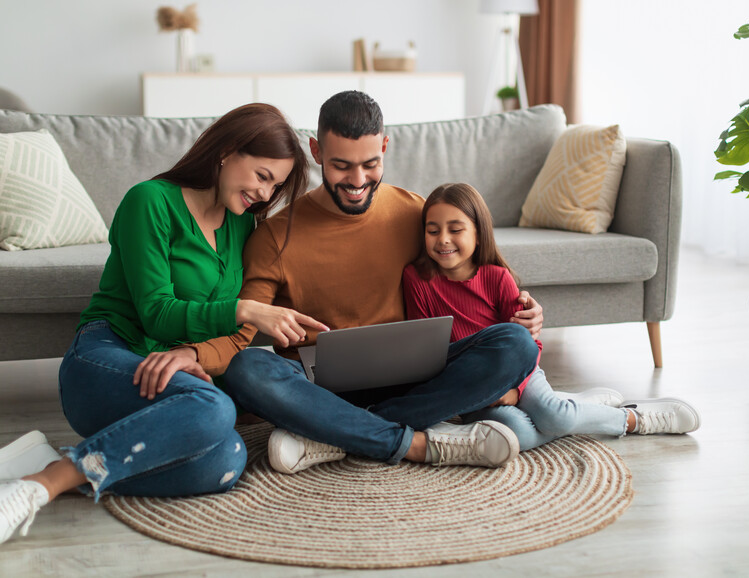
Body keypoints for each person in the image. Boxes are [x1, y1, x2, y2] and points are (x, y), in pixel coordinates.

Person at [0, 103, 329, 545]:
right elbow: (157, 311)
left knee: (226, 461)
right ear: (228, 151)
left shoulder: (243, 227)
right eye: (263, 177)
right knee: (215, 409)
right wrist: (242, 309)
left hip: (172, 371)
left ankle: (56, 461)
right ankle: (43, 485)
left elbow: (238, 338)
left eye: (276, 186)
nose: (266, 195)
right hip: (108, 356)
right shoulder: (150, 201)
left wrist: (194, 353)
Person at [179, 90, 545, 476]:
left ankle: (332, 434)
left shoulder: (414, 212)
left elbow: (470, 276)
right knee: (248, 368)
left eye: (370, 164)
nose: (357, 181)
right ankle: (412, 443)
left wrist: (523, 313)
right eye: (340, 166)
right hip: (320, 387)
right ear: (316, 152)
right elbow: (243, 332)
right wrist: (195, 354)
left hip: (412, 378)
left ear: (385, 146)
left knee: (514, 344)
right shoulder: (275, 236)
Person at [402, 182, 701, 452]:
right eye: (432, 230)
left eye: (455, 230)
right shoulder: (416, 279)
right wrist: (485, 391)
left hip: (519, 376)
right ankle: (577, 407)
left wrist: (514, 389)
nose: (443, 239)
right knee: (516, 432)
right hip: (474, 389)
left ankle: (633, 418)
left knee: (553, 416)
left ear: (479, 235)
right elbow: (429, 352)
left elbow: (527, 345)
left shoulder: (497, 278)